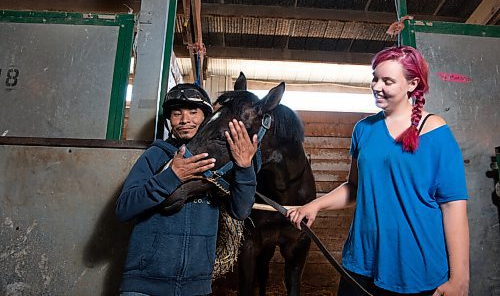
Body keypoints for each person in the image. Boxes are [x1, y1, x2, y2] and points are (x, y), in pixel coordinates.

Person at [287, 46, 469, 296]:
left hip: (415, 268)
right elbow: (354, 187)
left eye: (388, 81)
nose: (376, 86)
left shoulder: (436, 132)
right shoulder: (364, 129)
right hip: (362, 262)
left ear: (412, 84)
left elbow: (453, 206)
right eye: (374, 77)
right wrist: (314, 205)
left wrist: (460, 279)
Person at [116, 83, 258, 296]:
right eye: (176, 113)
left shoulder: (217, 160)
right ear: (169, 120)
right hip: (144, 286)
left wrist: (245, 168)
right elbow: (124, 208)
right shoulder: (156, 155)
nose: (185, 120)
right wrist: (172, 176)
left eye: (193, 112)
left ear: (206, 119)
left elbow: (241, 211)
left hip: (195, 288)